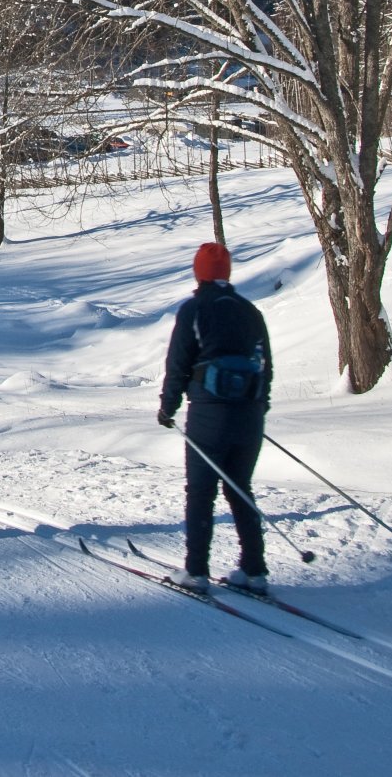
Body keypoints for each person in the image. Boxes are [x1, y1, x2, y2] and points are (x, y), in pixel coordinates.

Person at [156, 242, 273, 592]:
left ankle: (196, 571)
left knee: (201, 490)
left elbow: (178, 363)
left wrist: (168, 406)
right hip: (249, 413)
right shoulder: (250, 311)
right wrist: (260, 405)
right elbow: (266, 365)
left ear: (199, 272)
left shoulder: (194, 310)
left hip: (209, 412)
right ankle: (255, 571)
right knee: (240, 488)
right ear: (228, 273)